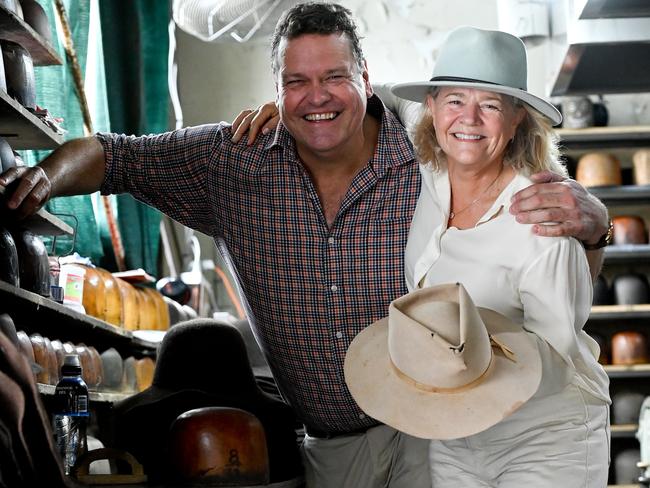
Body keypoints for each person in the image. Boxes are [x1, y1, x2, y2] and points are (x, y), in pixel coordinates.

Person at [0, 4, 609, 488]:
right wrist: (42, 178)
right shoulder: (231, 163)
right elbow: (115, 155)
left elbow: (508, 185)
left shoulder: (420, 158)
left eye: (334, 78)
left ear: (366, 81)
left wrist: (596, 221)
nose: (317, 96)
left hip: (434, 434)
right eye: (298, 82)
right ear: (279, 90)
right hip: (329, 447)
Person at [351, 26, 610, 486]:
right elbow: (377, 91)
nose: (468, 119)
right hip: (455, 429)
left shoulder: (541, 215)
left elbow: (557, 352)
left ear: (517, 120)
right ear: (430, 109)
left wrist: (475, 353)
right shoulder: (430, 170)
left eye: (490, 105)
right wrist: (283, 108)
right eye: (454, 100)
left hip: (544, 435)